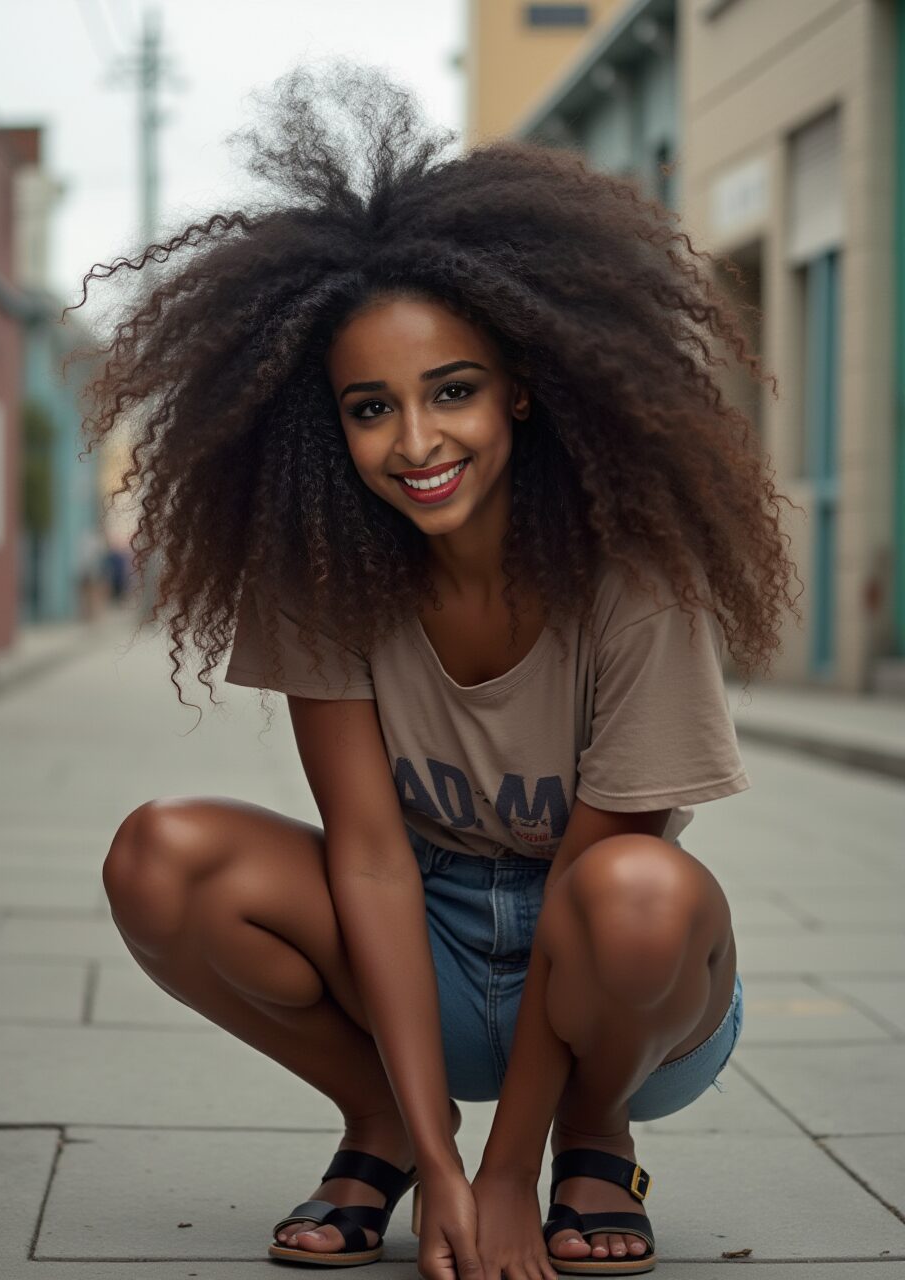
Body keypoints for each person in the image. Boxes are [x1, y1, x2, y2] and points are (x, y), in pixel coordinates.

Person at [79, 61, 800, 1280]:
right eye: (371, 407)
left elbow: (603, 860)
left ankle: (592, 1135)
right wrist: (442, 1148)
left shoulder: (635, 569)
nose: (415, 442)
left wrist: (510, 1165)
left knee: (632, 890)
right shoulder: (326, 563)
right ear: (327, 423)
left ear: (520, 389)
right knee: (163, 854)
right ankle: (380, 1126)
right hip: (421, 948)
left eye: (451, 391)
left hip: (626, 986)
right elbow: (364, 852)